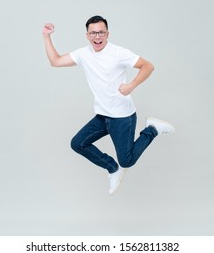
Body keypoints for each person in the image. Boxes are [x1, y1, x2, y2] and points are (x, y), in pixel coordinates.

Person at [42, 15, 174, 195]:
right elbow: (55, 61)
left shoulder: (118, 53)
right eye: (93, 33)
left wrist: (131, 85)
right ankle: (112, 168)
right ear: (87, 35)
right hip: (103, 116)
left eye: (101, 32)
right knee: (78, 143)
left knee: (127, 161)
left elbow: (148, 66)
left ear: (107, 34)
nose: (97, 37)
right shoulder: (83, 54)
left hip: (122, 117)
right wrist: (46, 37)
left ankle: (152, 129)